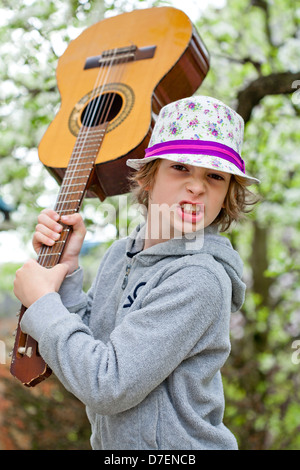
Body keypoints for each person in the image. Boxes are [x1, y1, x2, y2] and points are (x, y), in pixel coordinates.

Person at [13, 95, 260, 450]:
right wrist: (66, 271)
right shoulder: (121, 254)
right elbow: (89, 346)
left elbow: (107, 384)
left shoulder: (198, 278)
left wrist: (42, 302)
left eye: (215, 176)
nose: (197, 186)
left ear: (226, 196)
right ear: (148, 176)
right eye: (180, 167)